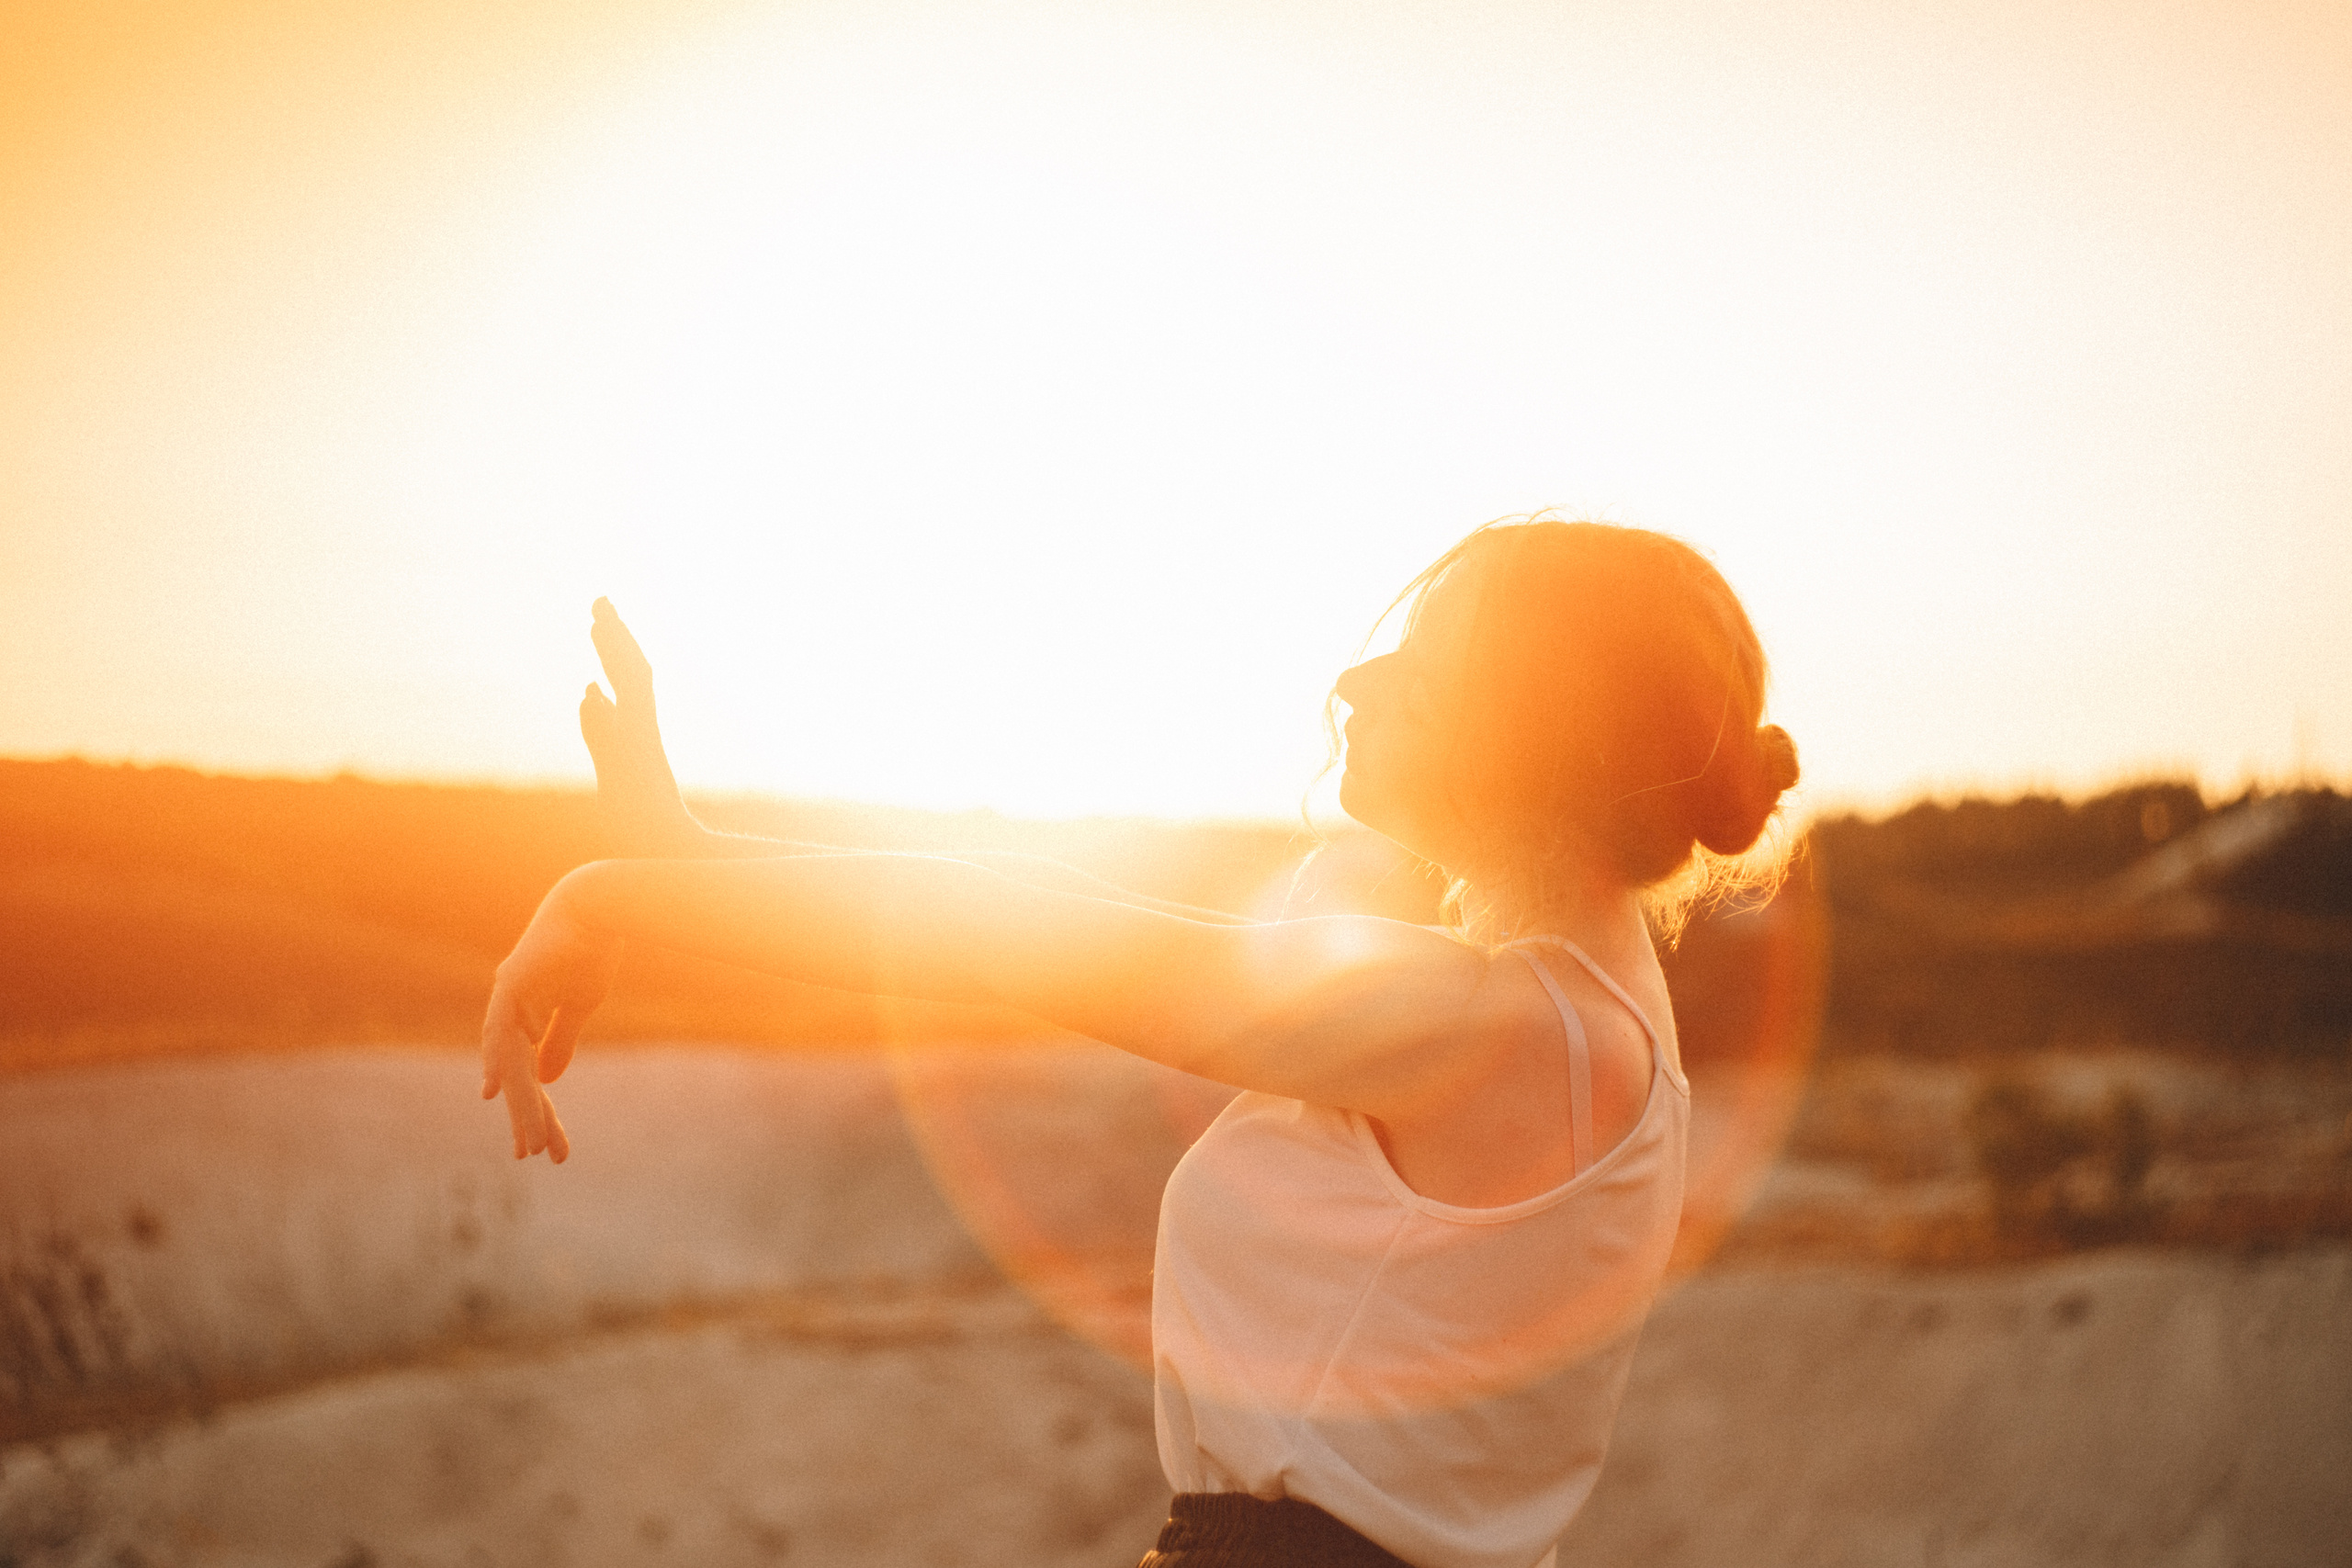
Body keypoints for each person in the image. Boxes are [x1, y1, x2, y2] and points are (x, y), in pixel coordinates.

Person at [480, 515, 1800, 1568]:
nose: (1354, 679)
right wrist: (694, 862)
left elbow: (1013, 933)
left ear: (1528, 721)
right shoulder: (1592, 1029)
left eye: (1419, 664)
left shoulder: (1487, 1025)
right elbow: (1076, 916)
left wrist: (619, 896)